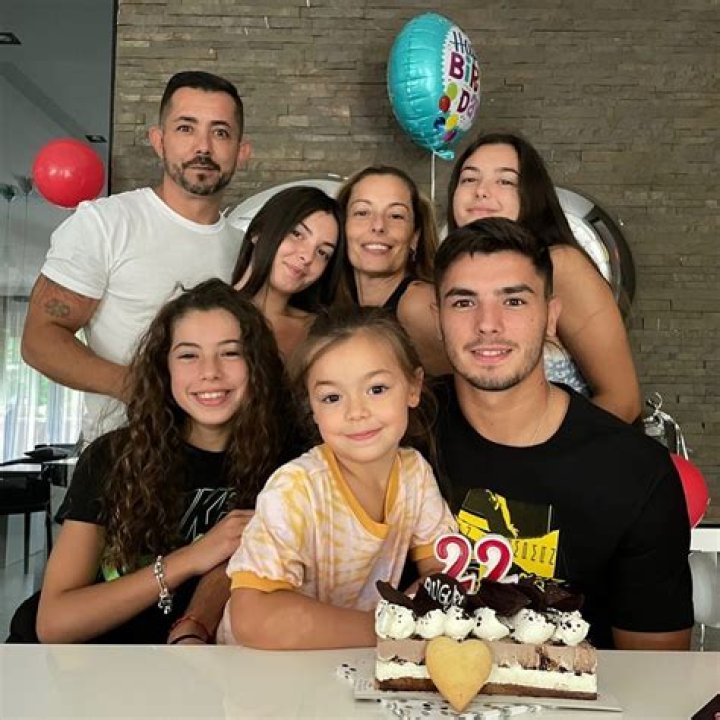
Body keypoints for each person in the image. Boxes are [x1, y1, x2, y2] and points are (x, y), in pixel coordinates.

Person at [432, 218, 694, 651]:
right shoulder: (397, 433)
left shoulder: (635, 472)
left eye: (514, 301)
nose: (488, 324)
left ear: (551, 317)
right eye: (463, 302)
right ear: (437, 319)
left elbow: (658, 668)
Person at [23, 279, 288, 643]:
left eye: (230, 352)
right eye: (188, 355)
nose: (210, 371)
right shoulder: (113, 457)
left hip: (214, 666)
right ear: (165, 369)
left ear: (257, 363)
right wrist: (191, 557)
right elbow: (55, 623)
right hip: (100, 662)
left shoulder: (289, 463)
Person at [21, 70, 252, 443]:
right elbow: (39, 339)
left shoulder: (246, 249)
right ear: (159, 141)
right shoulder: (104, 223)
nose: (203, 147)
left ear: (242, 152)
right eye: (186, 128)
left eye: (221, 132)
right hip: (124, 455)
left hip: (221, 459)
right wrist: (140, 388)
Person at [218, 306, 456, 649]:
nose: (356, 412)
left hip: (347, 663)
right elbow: (252, 617)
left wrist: (419, 610)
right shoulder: (296, 488)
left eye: (377, 389)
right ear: (312, 407)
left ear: (413, 387)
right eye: (332, 397)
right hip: (255, 669)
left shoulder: (414, 473)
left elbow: (443, 565)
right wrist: (390, 628)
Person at [447, 132, 641, 423]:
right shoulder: (452, 275)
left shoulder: (560, 265)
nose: (481, 191)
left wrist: (549, 449)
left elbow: (623, 400)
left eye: (505, 181)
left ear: (531, 195)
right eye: (469, 179)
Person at [336, 166, 449, 375]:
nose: (378, 226)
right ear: (342, 227)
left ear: (414, 237)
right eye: (362, 213)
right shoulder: (340, 304)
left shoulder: (418, 306)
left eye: (396, 216)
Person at [231, 186, 344, 358]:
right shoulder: (204, 312)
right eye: (297, 234)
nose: (308, 257)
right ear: (257, 232)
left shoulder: (324, 331)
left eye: (323, 252)